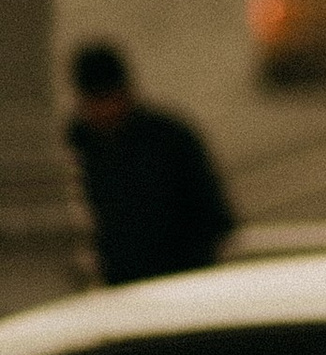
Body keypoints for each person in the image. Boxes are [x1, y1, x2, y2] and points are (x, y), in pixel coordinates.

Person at [65, 41, 234, 287]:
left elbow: (212, 215)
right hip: (164, 280)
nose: (105, 110)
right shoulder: (169, 135)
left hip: (173, 280)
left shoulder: (74, 144)